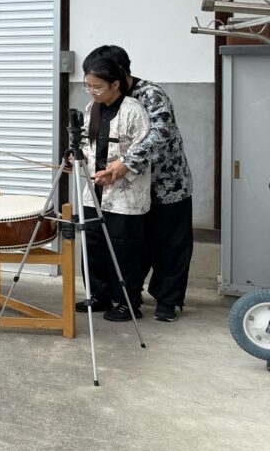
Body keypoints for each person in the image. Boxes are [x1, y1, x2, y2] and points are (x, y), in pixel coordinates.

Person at [90, 45, 194, 322]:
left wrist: (127, 162)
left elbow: (161, 132)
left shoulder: (150, 94)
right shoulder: (108, 97)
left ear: (119, 75)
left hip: (166, 183)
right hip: (128, 188)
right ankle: (121, 296)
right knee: (133, 245)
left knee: (170, 244)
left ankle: (168, 301)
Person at [77, 54, 151, 322]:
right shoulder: (91, 108)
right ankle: (99, 295)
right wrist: (77, 156)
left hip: (125, 194)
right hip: (95, 189)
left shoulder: (134, 110)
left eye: (98, 87)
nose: (92, 91)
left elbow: (144, 150)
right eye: (88, 86)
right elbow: (87, 143)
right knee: (93, 243)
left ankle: (126, 303)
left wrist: (119, 171)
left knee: (123, 249)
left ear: (116, 84)